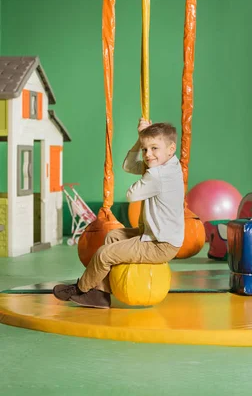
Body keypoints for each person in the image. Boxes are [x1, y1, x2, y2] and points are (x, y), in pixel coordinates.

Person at [53, 119, 185, 308]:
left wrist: (148, 164)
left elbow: (131, 195)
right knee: (114, 236)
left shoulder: (158, 175)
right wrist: (142, 139)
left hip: (160, 244)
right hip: (155, 235)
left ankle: (81, 288)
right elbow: (128, 166)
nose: (148, 154)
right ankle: (100, 293)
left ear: (171, 149)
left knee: (103, 254)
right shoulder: (172, 163)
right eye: (145, 149)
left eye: (154, 148)